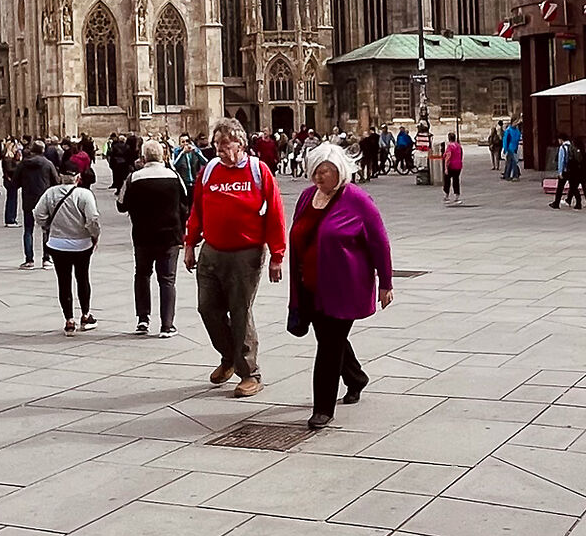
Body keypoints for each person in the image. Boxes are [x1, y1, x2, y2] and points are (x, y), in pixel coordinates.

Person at [289, 142, 391, 431]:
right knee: (329, 338)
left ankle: (323, 408)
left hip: (345, 286)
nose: (318, 177)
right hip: (310, 284)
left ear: (340, 171)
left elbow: (379, 242)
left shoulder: (357, 200)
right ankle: (356, 377)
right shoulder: (308, 196)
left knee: (329, 345)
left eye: (325, 171)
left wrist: (386, 282)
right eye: (315, 171)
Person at [183, 117, 287, 399]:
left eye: (224, 144)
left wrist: (277, 255)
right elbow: (197, 211)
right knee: (207, 309)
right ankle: (228, 356)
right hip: (212, 251)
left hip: (246, 253)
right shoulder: (208, 171)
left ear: (240, 144)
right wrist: (190, 244)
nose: (219, 149)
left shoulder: (258, 170)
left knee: (240, 313)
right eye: (216, 144)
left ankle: (250, 373)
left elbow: (275, 214)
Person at [118, 137, 188, 335]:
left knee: (142, 275)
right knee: (167, 280)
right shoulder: (174, 177)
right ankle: (167, 325)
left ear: (143, 156)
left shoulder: (134, 178)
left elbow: (121, 204)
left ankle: (143, 319)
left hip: (143, 236)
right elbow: (186, 203)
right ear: (163, 156)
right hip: (170, 236)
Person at [33, 164, 100, 329]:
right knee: (82, 278)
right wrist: (94, 235)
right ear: (78, 178)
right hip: (82, 243)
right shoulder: (84, 194)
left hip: (57, 243)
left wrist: (47, 225)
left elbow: (38, 213)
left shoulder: (50, 193)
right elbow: (92, 219)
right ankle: (85, 315)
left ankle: (69, 320)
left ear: (60, 177)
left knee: (63, 281)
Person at [16, 143, 59, 267]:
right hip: (44, 201)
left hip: (28, 200)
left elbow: (15, 182)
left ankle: (29, 260)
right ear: (43, 150)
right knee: (46, 230)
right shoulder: (48, 164)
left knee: (28, 230)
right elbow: (56, 181)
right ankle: (46, 258)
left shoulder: (24, 164)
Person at [442, 131, 464, 204]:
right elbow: (461, 155)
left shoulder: (449, 146)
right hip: (458, 165)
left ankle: (446, 196)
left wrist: (445, 167)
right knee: (456, 180)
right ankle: (457, 196)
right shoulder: (459, 146)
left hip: (451, 165)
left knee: (447, 180)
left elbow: (448, 157)